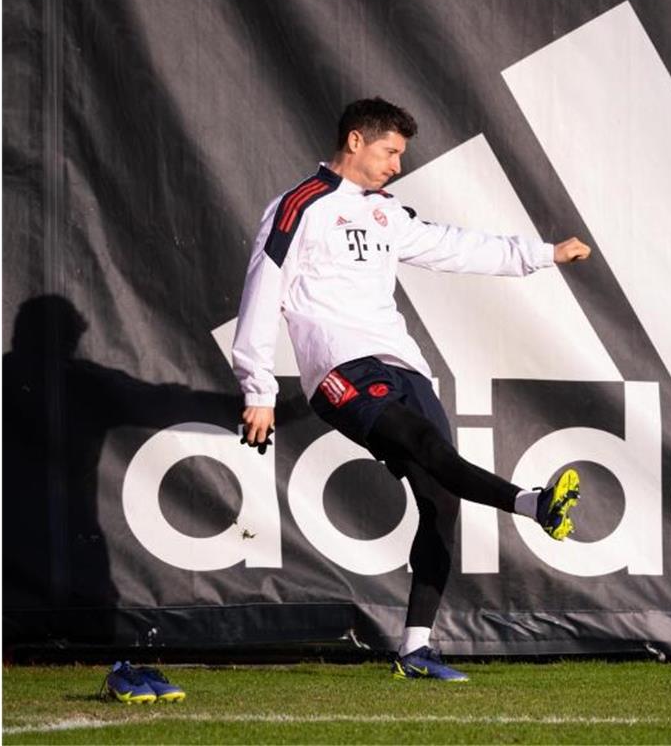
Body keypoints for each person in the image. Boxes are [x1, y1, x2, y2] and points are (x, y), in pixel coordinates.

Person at [232, 97, 592, 682]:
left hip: (404, 366)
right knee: (427, 444)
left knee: (441, 498)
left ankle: (414, 651)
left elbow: (456, 246)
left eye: (401, 154)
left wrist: (542, 255)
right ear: (355, 141)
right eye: (390, 151)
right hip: (341, 369)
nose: (397, 165)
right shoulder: (299, 207)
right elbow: (261, 292)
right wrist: (258, 388)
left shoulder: (386, 212)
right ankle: (534, 503)